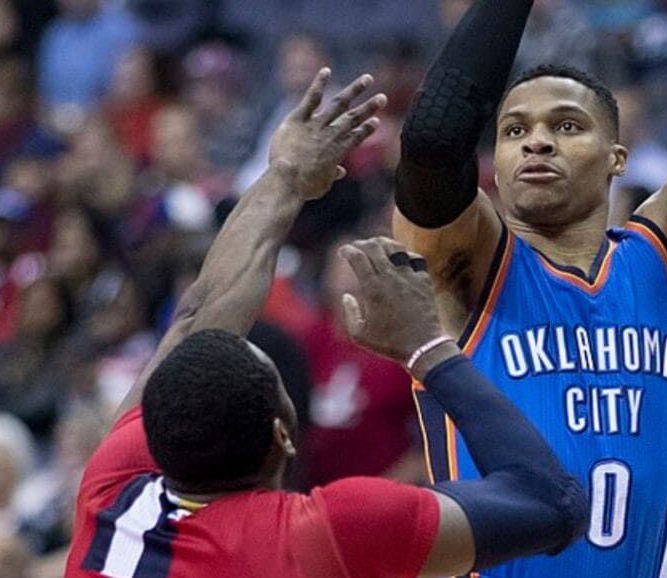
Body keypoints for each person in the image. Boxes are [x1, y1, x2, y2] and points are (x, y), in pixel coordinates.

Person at [64, 69, 587, 578]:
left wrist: (285, 177)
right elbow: (551, 502)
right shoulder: (321, 533)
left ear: (153, 435)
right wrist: (428, 348)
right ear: (282, 436)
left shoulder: (112, 493)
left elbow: (197, 319)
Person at [392, 0, 667, 575]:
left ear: (618, 157)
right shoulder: (467, 264)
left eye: (566, 125)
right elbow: (435, 137)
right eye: (515, 130)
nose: (536, 142)